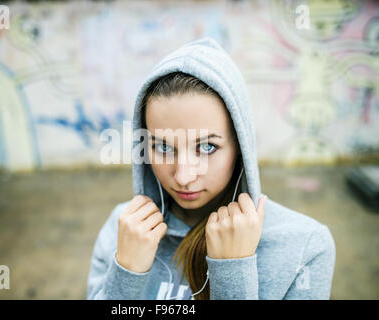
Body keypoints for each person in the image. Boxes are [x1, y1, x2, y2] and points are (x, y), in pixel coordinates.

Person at [87, 38, 336, 300]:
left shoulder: (304, 247)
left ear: (240, 145)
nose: (183, 177)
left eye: (206, 147)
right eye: (162, 147)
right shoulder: (122, 230)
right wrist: (126, 272)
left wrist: (233, 273)